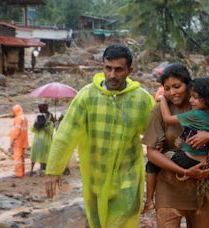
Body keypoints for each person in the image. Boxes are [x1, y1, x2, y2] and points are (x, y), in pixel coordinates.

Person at [44, 44, 154, 228]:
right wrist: (54, 170)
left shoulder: (141, 99)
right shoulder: (87, 96)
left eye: (118, 70)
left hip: (127, 180)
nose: (112, 75)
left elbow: (157, 132)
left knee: (121, 223)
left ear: (129, 70)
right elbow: (66, 133)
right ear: (102, 67)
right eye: (108, 68)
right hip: (95, 179)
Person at [142, 63, 209, 227]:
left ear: (188, 85)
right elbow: (152, 153)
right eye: (167, 88)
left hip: (202, 188)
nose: (172, 93)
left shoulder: (205, 107)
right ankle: (149, 200)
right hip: (169, 187)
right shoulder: (160, 111)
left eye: (177, 86)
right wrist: (184, 171)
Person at [29, 103, 55, 176]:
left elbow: (32, 129)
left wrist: (38, 125)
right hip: (46, 140)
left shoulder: (38, 117)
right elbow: (51, 131)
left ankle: (31, 170)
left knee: (34, 154)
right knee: (44, 155)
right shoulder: (50, 117)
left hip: (37, 139)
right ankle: (42, 171)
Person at [10, 104, 28, 178]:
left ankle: (18, 173)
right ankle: (22, 172)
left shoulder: (17, 118)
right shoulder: (24, 118)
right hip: (24, 140)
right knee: (22, 157)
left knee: (17, 158)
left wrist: (13, 140)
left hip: (18, 141)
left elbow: (16, 131)